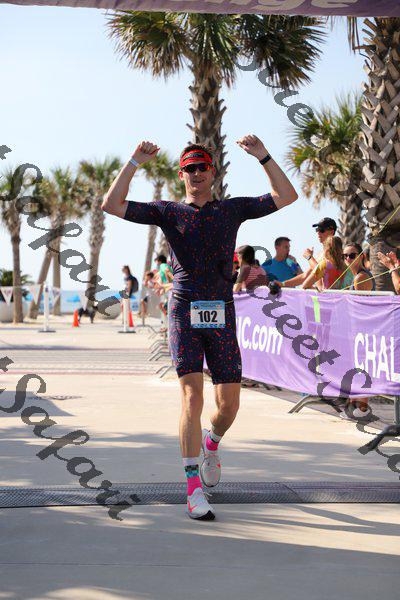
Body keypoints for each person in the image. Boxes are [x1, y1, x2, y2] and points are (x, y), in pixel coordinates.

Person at [102, 135, 298, 521]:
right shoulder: (168, 212)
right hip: (183, 311)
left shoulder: (231, 210)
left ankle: (212, 443)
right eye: (189, 168)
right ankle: (192, 488)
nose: (196, 173)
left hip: (221, 310)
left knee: (228, 406)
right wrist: (134, 162)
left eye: (202, 167)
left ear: (213, 172)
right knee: (192, 399)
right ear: (182, 175)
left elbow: (287, 195)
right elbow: (111, 204)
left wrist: (263, 155)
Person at [338, 243, 375, 420]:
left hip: (363, 329)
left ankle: (362, 409)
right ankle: (354, 407)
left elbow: (360, 308)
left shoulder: (360, 277)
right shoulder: (356, 276)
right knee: (356, 369)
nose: (348, 259)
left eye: (352, 255)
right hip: (358, 328)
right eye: (345, 256)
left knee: (361, 369)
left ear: (361, 256)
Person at [283, 218, 337, 289]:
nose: (318, 233)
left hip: (330, 294)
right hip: (322, 294)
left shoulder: (335, 251)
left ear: (332, 232)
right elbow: (305, 276)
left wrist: (309, 258)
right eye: (317, 230)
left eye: (322, 230)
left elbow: (321, 273)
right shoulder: (320, 254)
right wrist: (281, 284)